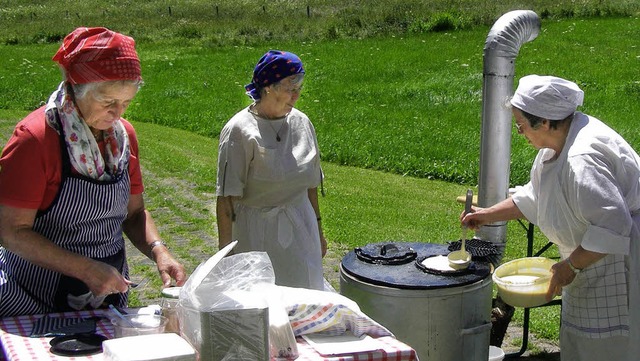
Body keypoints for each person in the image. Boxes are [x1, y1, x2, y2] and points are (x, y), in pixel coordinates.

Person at [0, 27, 187, 317]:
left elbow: (134, 214)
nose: (118, 113)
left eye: (125, 103)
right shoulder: (36, 139)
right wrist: (84, 268)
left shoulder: (123, 137)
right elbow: (11, 231)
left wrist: (158, 250)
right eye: (108, 102)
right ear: (76, 88)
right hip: (32, 298)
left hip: (104, 296)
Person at [462, 75, 640, 361]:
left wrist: (570, 266)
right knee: (581, 341)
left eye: (520, 125)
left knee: (608, 347)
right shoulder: (554, 145)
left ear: (544, 122)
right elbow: (536, 196)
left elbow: (614, 225)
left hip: (618, 260)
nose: (519, 133)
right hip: (587, 258)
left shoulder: (582, 158)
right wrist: (486, 215)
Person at [216, 50, 326, 290]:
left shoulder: (302, 123)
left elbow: (310, 186)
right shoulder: (239, 131)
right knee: (263, 306)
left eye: (299, 87)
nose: (296, 95)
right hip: (257, 233)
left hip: (301, 228)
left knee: (304, 298)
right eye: (290, 88)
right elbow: (226, 199)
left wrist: (318, 230)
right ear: (268, 87)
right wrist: (226, 256)